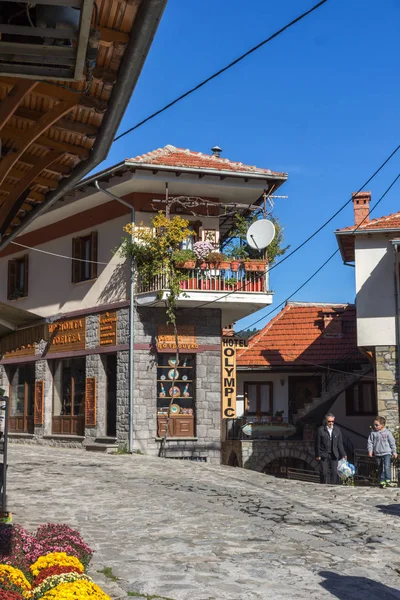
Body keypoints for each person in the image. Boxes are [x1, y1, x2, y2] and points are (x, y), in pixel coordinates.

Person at [367, 416, 398, 488]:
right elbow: (370, 442)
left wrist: (394, 452)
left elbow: (392, 443)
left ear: (382, 425)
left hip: (387, 453)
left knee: (387, 466)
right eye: (374, 425)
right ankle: (382, 481)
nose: (375, 426)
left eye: (376, 425)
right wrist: (370, 451)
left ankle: (388, 480)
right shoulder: (373, 433)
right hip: (378, 453)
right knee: (379, 467)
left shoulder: (387, 433)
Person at [316, 413, 346, 484]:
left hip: (334, 454)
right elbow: (317, 443)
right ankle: (323, 484)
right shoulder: (320, 430)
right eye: (329, 421)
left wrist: (343, 454)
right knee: (324, 472)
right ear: (326, 421)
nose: (331, 423)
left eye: (332, 421)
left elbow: (340, 443)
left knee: (334, 472)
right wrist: (318, 454)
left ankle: (333, 485)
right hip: (324, 453)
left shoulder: (337, 430)